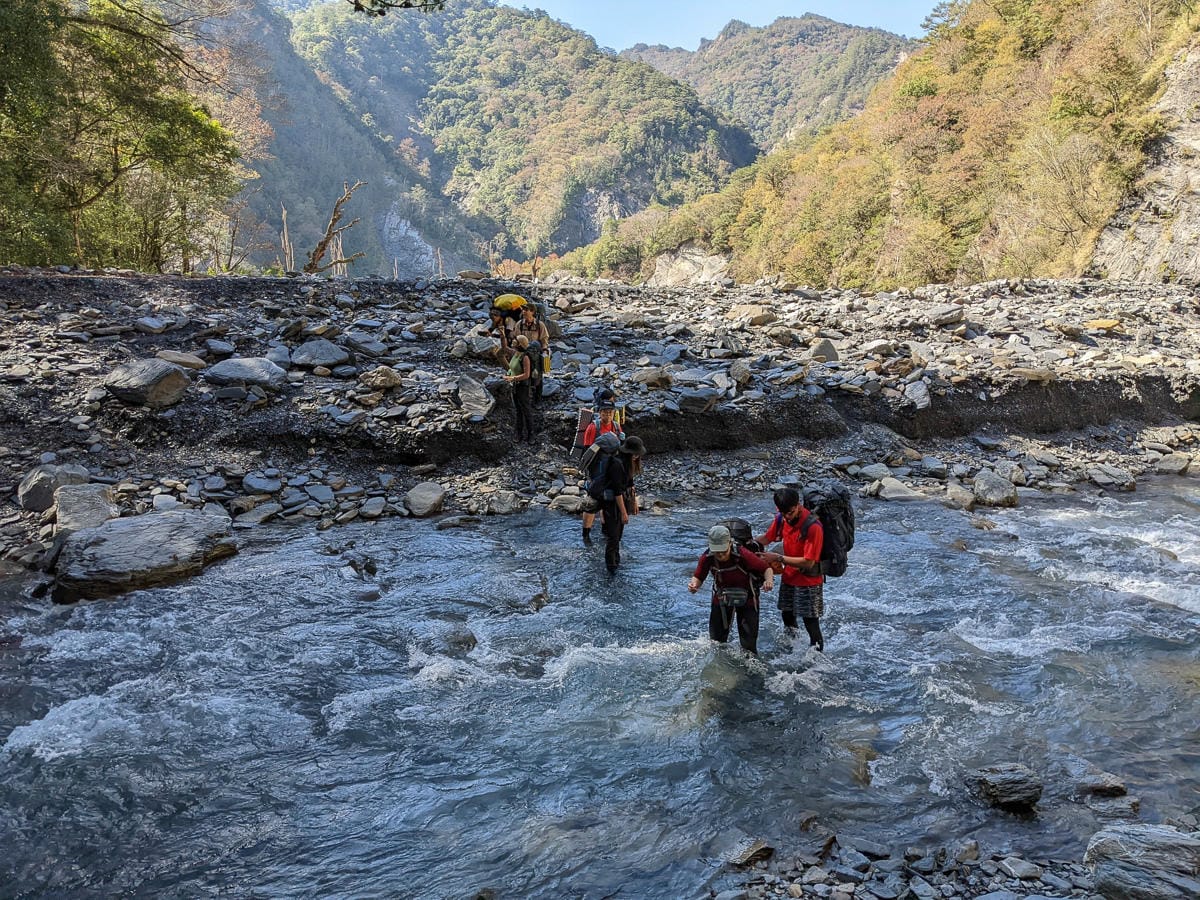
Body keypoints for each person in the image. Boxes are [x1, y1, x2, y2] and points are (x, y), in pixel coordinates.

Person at [756, 487, 826, 651]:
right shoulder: (781, 518)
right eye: (784, 513)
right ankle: (791, 648)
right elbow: (767, 538)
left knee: (811, 623)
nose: (788, 517)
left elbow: (809, 562)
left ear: (798, 505)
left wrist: (778, 558)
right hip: (789, 577)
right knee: (787, 615)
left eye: (791, 512)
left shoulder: (813, 527)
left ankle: (817, 660)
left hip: (809, 581)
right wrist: (747, 544)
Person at [689, 525, 774, 655]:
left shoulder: (743, 554)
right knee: (716, 642)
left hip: (748, 599)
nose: (721, 555)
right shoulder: (707, 557)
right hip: (722, 599)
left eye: (724, 551)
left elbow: (766, 569)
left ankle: (749, 673)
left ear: (730, 543)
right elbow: (698, 576)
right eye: (717, 552)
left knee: (748, 647)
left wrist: (769, 581)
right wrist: (694, 585)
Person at [580, 398, 624, 546]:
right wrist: (590, 476)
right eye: (605, 412)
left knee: (609, 500)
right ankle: (586, 535)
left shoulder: (617, 428)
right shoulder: (593, 428)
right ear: (600, 413)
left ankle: (606, 531)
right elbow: (587, 451)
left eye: (610, 412)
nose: (608, 415)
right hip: (597, 470)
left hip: (612, 470)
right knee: (592, 502)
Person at [586, 431, 629, 573]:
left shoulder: (602, 460)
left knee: (612, 536)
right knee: (613, 538)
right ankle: (612, 569)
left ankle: (613, 565)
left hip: (604, 500)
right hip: (612, 503)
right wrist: (624, 513)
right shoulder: (615, 463)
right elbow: (617, 492)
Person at [514, 304, 549, 403]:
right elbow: (516, 339)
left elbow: (544, 339)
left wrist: (545, 350)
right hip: (523, 354)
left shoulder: (539, 325)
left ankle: (537, 400)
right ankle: (525, 398)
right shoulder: (519, 324)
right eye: (523, 310)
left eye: (526, 310)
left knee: (537, 377)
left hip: (535, 354)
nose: (524, 312)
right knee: (524, 375)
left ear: (532, 312)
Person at [503, 334, 535, 443]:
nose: (512, 342)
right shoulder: (515, 353)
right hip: (515, 386)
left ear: (520, 344)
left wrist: (512, 378)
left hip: (523, 387)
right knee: (518, 410)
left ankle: (531, 434)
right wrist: (503, 336)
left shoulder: (525, 357)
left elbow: (526, 374)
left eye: (515, 341)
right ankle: (519, 432)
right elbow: (504, 348)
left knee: (526, 410)